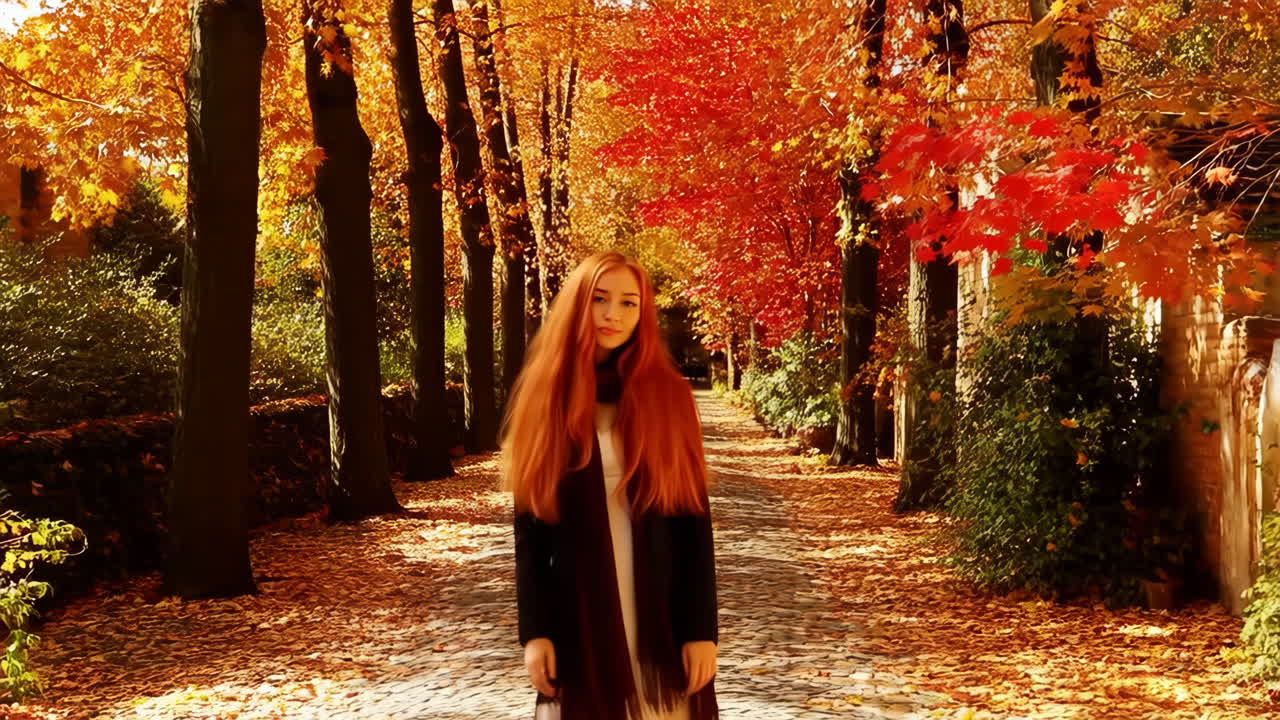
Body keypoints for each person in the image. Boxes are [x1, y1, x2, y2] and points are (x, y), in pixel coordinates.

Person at [499, 251, 720, 720]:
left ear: (644, 314)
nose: (613, 314)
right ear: (579, 304)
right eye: (600, 299)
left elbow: (694, 523)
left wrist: (702, 630)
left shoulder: (669, 395)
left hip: (660, 608)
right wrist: (534, 632)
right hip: (577, 609)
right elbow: (530, 529)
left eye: (629, 303)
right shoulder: (547, 395)